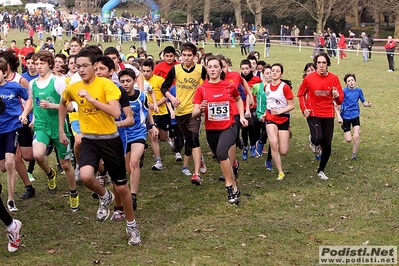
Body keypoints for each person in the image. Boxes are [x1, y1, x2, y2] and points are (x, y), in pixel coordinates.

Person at [58, 50, 141, 246]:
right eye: (78, 66)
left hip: (110, 139)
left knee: (122, 187)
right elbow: (63, 103)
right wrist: (62, 130)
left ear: (95, 66)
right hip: (89, 139)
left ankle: (132, 225)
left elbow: (115, 111)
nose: (81, 69)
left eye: (85, 65)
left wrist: (91, 99)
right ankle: (105, 196)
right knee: (86, 176)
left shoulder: (107, 85)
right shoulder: (73, 86)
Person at [192, 56, 247, 204]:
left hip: (229, 126)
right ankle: (234, 184)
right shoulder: (201, 89)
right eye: (210, 67)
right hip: (211, 130)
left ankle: (229, 186)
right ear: (207, 69)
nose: (213, 69)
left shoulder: (228, 86)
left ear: (221, 68)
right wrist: (201, 109)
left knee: (222, 152)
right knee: (220, 157)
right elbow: (194, 113)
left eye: (216, 66)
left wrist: (241, 116)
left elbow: (238, 99)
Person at [29, 51, 79, 211]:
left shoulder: (59, 82)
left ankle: (73, 193)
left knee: (65, 164)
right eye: (36, 64)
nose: (39, 67)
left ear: (50, 64)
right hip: (42, 126)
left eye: (42, 63)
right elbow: (36, 103)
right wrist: (34, 119)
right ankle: (50, 174)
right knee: (37, 155)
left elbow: (71, 107)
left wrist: (52, 105)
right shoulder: (33, 84)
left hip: (59, 126)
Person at [161, 42, 207, 185]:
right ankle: (199, 158)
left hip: (195, 109)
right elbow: (164, 87)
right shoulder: (175, 69)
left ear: (195, 56)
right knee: (189, 140)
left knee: (194, 138)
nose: (186, 58)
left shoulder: (200, 69)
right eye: (184, 55)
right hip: (179, 111)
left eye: (189, 55)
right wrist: (172, 97)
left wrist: (204, 101)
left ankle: (196, 174)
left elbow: (209, 84)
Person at [297, 53, 344, 180]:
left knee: (327, 144)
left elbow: (340, 101)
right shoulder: (309, 78)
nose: (321, 65)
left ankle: (321, 170)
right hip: (313, 113)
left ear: (327, 64)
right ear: (316, 64)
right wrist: (304, 108)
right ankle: (313, 140)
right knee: (318, 138)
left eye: (324, 63)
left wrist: (336, 96)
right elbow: (301, 94)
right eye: (319, 63)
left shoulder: (334, 79)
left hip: (328, 114)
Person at [118, 68, 158, 212]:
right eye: (122, 81)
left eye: (128, 81)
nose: (125, 84)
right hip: (122, 134)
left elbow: (147, 113)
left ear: (134, 81)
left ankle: (133, 195)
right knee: (128, 168)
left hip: (138, 133)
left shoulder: (141, 96)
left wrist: (152, 126)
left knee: (134, 162)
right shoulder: (116, 96)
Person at [0, 57, 31, 211]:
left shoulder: (14, 87)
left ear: (4, 73)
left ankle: (11, 200)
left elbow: (30, 98)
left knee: (10, 162)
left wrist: (24, 113)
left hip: (12, 128)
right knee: (3, 167)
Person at [263, 63, 294, 180]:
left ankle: (286, 134)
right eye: (273, 71)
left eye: (277, 71)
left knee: (284, 151)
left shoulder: (285, 87)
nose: (274, 73)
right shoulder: (266, 87)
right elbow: (266, 103)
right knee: (273, 144)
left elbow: (292, 105)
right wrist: (264, 114)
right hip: (270, 118)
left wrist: (280, 112)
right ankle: (280, 172)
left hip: (284, 118)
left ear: (281, 74)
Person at [340, 73, 372, 161]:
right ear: (346, 83)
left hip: (355, 115)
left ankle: (354, 155)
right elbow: (339, 103)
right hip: (346, 116)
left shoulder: (359, 91)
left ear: (355, 81)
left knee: (356, 136)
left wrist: (368, 105)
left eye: (352, 80)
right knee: (348, 139)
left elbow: (363, 102)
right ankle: (344, 126)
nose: (351, 82)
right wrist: (339, 115)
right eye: (348, 81)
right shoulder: (344, 91)